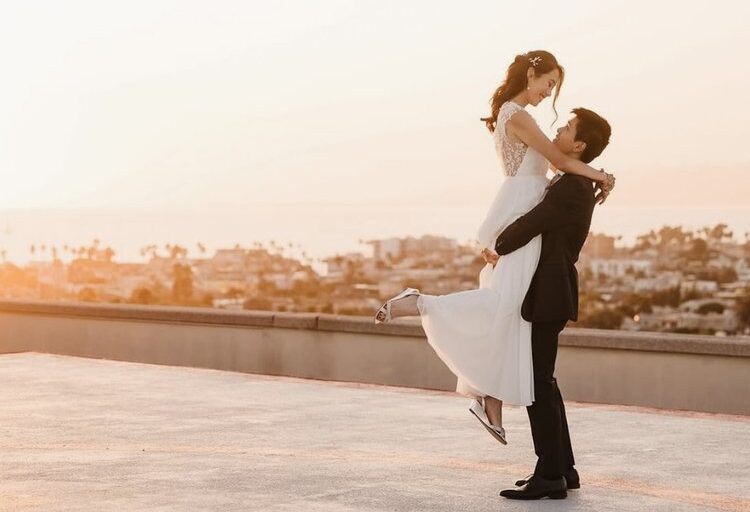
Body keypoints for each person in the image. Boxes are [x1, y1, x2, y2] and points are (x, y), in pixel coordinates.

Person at [374, 50, 614, 451]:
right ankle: (421, 304)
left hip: (523, 208)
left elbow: (560, 163)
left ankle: (491, 401)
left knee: (507, 312)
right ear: (532, 74)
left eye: (554, 88)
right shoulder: (516, 115)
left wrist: (589, 174)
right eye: (548, 84)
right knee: (504, 307)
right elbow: (559, 160)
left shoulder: (516, 115)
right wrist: (602, 175)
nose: (548, 93)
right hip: (522, 208)